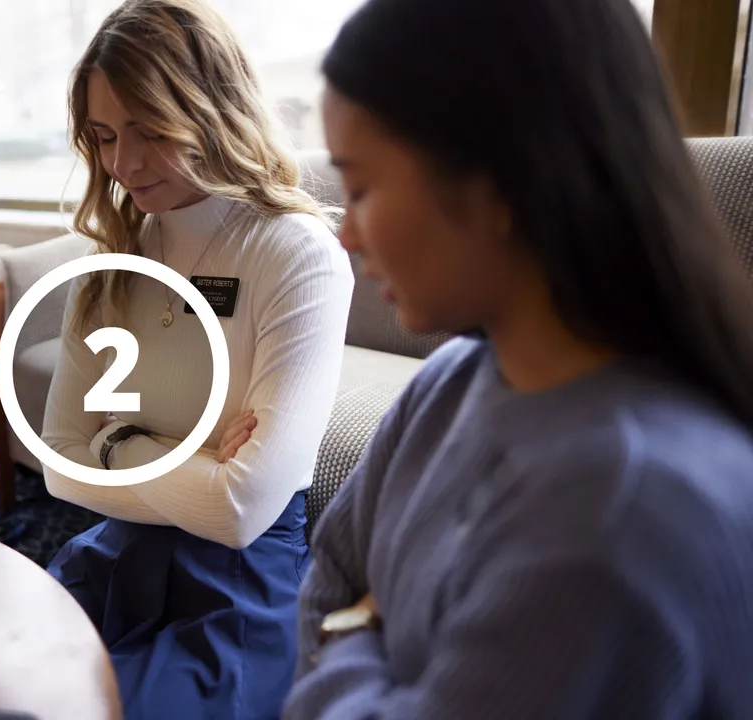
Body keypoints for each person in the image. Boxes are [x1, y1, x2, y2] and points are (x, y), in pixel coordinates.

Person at [284, 0, 753, 718]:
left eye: (361, 188)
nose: (344, 235)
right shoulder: (448, 383)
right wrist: (361, 642)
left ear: (499, 179)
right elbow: (328, 575)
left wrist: (357, 633)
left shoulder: (616, 513)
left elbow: (329, 624)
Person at [39, 1, 354, 717]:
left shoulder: (297, 255)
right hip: (119, 549)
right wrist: (193, 463)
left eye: (150, 129)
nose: (123, 163)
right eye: (105, 135)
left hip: (237, 583)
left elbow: (241, 512)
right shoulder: (112, 263)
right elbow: (58, 463)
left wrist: (114, 442)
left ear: (212, 109)